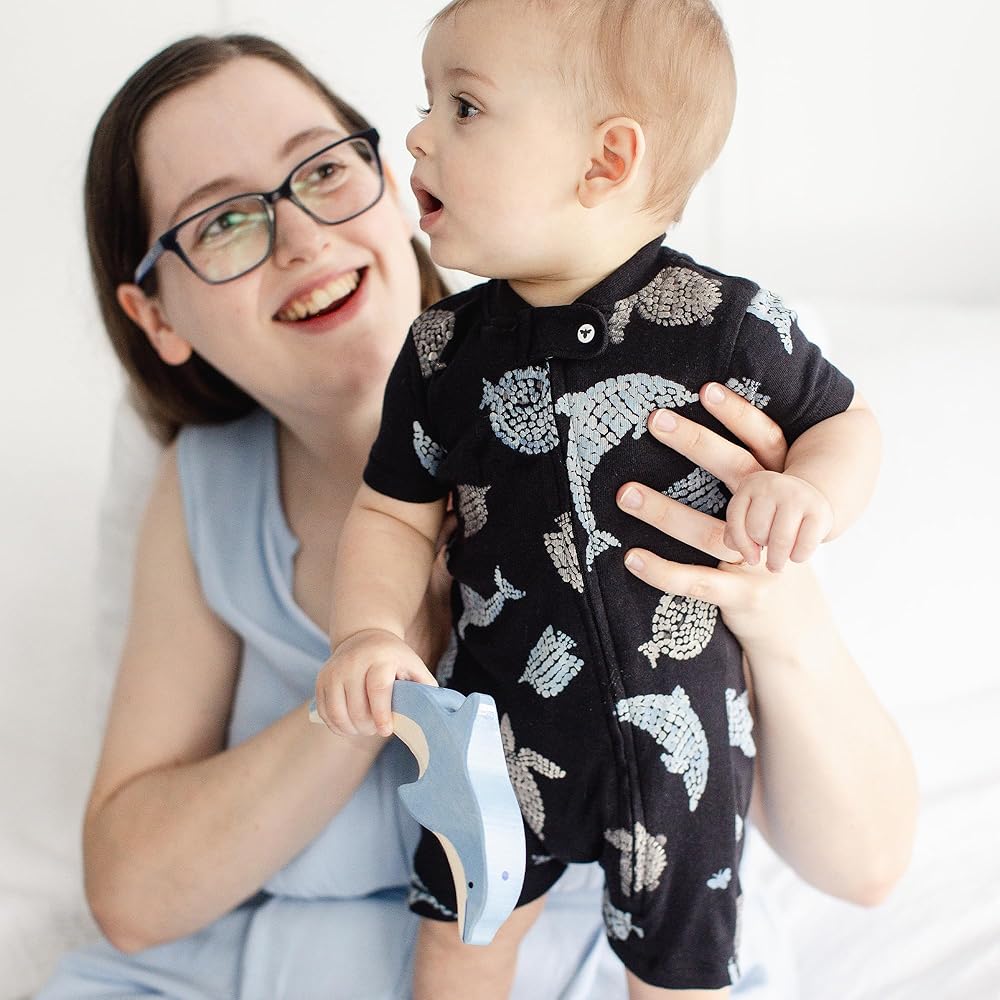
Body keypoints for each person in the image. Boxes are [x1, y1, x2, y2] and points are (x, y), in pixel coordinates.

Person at [35, 29, 916, 1000]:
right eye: (224, 223)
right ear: (156, 316)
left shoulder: (705, 386)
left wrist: (776, 605)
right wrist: (374, 663)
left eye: (321, 170)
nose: (302, 238)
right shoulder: (215, 480)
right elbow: (130, 896)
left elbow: (868, 867)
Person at [311, 1, 883, 997]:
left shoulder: (729, 327)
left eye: (464, 107)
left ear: (605, 160)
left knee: (679, 972)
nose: (417, 135)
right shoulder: (443, 352)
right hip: (496, 735)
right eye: (427, 103)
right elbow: (391, 514)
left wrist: (810, 493)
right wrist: (366, 628)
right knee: (457, 942)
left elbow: (848, 422)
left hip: (685, 751)